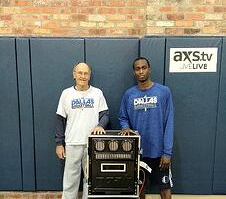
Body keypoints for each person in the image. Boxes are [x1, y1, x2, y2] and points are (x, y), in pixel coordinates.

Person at [119, 57, 174, 199]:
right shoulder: (129, 94)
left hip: (159, 153)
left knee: (165, 189)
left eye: (144, 68)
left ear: (149, 70)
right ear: (134, 72)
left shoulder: (164, 91)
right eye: (137, 69)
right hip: (138, 152)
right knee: (139, 189)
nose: (141, 71)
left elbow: (169, 122)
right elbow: (123, 117)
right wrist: (125, 127)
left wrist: (167, 153)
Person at [55, 62, 109, 199]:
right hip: (72, 143)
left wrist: (100, 126)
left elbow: (105, 114)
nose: (83, 76)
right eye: (80, 73)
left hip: (93, 144)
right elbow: (60, 120)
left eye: (86, 73)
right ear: (74, 74)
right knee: (70, 181)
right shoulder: (66, 94)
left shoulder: (97, 93)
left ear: (89, 76)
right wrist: (59, 143)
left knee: (91, 180)